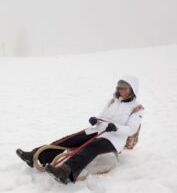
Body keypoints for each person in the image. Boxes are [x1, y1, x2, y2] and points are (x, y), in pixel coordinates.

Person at [16, 75, 144, 184]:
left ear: (132, 89)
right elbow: (103, 116)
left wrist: (116, 128)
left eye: (125, 88)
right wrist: (96, 120)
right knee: (70, 140)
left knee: (92, 146)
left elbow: (131, 129)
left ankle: (66, 172)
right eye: (120, 87)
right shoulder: (113, 101)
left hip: (114, 138)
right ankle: (35, 156)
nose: (122, 90)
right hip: (99, 130)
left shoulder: (137, 108)